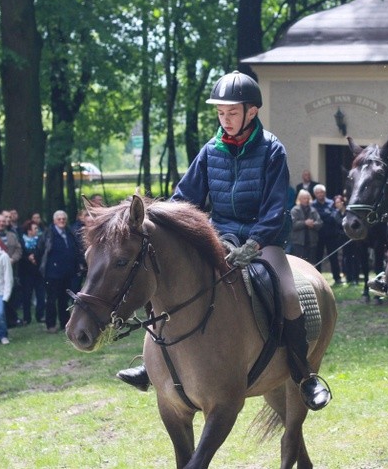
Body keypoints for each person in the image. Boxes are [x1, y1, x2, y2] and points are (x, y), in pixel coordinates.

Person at [117, 70, 331, 410]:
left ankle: (304, 375)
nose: (225, 119)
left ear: (252, 111)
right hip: (217, 236)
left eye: (232, 112)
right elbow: (185, 197)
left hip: (265, 241)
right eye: (220, 113)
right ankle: (152, 364)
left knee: (289, 296)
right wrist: (163, 221)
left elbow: (276, 209)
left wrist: (255, 243)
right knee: (162, 276)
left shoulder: (272, 150)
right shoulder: (210, 150)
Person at [35, 210, 85, 334]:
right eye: (59, 219)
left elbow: (76, 249)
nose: (62, 221)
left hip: (68, 273)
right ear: (54, 221)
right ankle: (51, 325)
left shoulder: (69, 232)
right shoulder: (48, 234)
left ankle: (65, 323)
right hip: (52, 274)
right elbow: (39, 251)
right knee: (51, 300)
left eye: (63, 219)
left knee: (65, 300)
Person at [0, 213, 23, 327]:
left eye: (3, 221)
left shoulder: (12, 235)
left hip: (11, 269)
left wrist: (12, 259)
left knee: (11, 295)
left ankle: (12, 319)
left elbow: (18, 249)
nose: (1, 223)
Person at [312, 184, 343, 286]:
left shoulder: (331, 203)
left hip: (331, 234)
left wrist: (324, 215)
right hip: (318, 235)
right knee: (318, 257)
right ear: (315, 194)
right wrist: (327, 214)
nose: (320, 194)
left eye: (322, 192)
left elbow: (334, 216)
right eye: (318, 193)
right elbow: (318, 217)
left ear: (324, 193)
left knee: (333, 257)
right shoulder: (313, 205)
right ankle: (318, 278)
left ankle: (337, 278)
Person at [19, 220, 46, 324]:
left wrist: (35, 257)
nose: (37, 230)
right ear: (29, 231)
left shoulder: (40, 240)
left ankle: (40, 315)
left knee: (40, 295)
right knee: (26, 296)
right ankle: (27, 318)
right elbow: (20, 253)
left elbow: (42, 251)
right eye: (35, 229)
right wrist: (28, 257)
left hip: (38, 272)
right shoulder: (21, 240)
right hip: (26, 273)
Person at [290, 189, 322, 265]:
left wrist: (313, 224)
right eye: (304, 198)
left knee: (311, 263)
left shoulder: (313, 210)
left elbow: (320, 223)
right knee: (300, 264)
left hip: (311, 242)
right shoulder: (295, 210)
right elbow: (293, 224)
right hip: (299, 242)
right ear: (300, 199)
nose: (306, 200)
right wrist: (305, 223)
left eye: (308, 198)